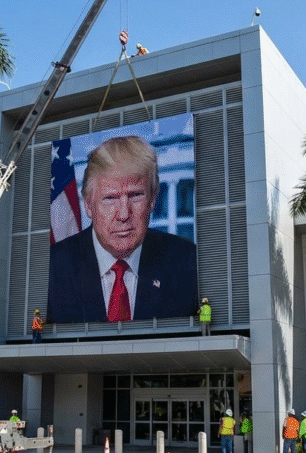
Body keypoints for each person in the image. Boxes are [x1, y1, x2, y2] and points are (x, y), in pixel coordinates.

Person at [48, 136, 198, 323]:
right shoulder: (53, 268)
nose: (124, 215)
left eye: (135, 196)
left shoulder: (188, 263)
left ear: (152, 200)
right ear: (88, 205)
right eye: (110, 199)